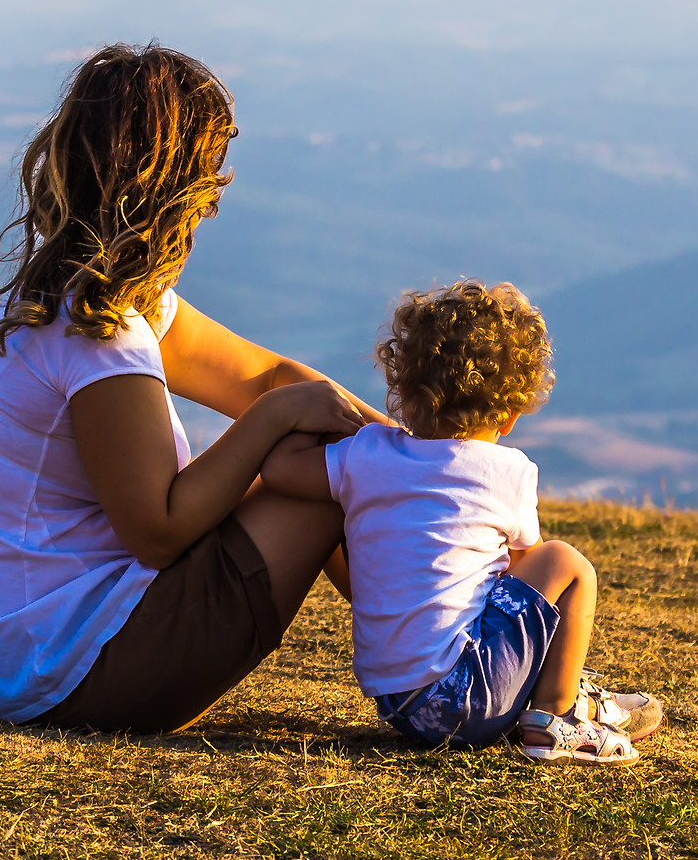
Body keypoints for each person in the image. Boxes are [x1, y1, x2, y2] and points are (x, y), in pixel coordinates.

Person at [0, 43, 383, 733]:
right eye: (206, 180)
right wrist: (274, 422)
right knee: (320, 467)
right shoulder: (96, 332)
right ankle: (447, 663)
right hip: (59, 674)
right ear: (168, 188)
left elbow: (267, 375)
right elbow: (159, 532)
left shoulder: (90, 296)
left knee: (334, 447)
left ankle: (453, 645)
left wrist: (427, 460)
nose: (212, 203)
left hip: (19, 661)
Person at [260, 279, 661, 764]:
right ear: (511, 415)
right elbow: (524, 569)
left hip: (398, 704)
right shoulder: (508, 471)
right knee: (563, 563)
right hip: (464, 698)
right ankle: (558, 717)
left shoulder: (363, 456)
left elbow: (279, 468)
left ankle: (568, 696)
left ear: (403, 389)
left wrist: (317, 422)